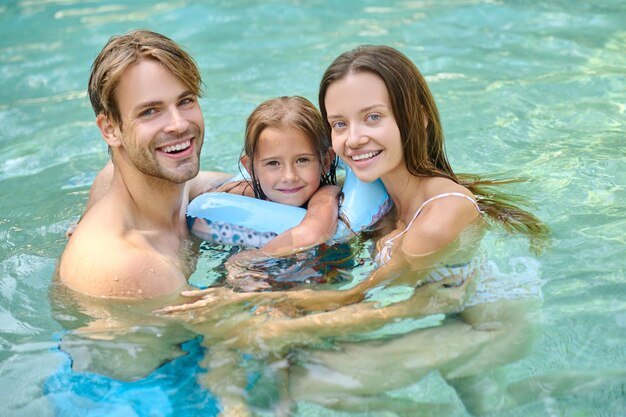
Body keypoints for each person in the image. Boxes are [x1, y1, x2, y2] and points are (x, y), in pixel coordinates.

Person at [162, 45, 550, 416]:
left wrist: (233, 305)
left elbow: (358, 299)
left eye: (373, 117)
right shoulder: (381, 200)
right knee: (494, 408)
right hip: (456, 318)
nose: (355, 138)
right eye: (340, 124)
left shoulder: (439, 216)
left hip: (488, 330)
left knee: (303, 377)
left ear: (416, 116)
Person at [57, 30, 340, 300]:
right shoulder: (127, 266)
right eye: (150, 111)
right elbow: (233, 336)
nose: (179, 124)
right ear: (110, 129)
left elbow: (271, 183)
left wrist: (324, 195)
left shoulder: (163, 185)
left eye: (185, 101)